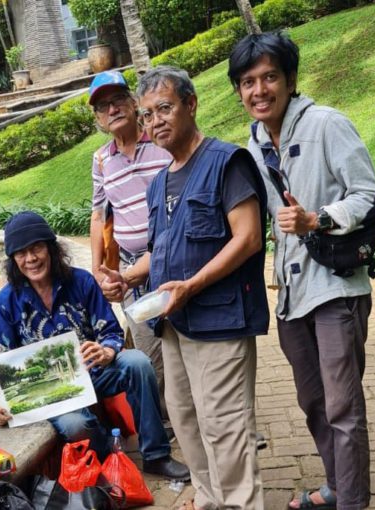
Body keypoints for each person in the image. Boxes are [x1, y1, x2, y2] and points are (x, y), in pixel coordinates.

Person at [99, 65, 269, 510]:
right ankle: (212, 502)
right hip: (173, 324)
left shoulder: (225, 162)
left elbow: (248, 237)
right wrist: (129, 277)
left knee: (225, 425)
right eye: (148, 113)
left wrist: (193, 284)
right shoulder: (160, 183)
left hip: (220, 319)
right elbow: (164, 249)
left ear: (191, 105)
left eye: (165, 109)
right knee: (188, 421)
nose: (155, 121)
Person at [229, 32, 375, 510]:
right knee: (314, 402)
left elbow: (368, 194)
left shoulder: (326, 124)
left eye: (270, 77)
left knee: (343, 406)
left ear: (290, 79)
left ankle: (353, 501)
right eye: (249, 81)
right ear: (238, 90)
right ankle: (336, 485)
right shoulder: (253, 148)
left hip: (336, 287)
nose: (259, 90)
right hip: (292, 294)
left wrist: (318, 218)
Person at [0, 211, 189, 481]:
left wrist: (107, 350)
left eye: (36, 248)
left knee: (138, 363)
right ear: (13, 260)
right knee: (76, 424)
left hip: (94, 371)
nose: (31, 259)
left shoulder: (80, 282)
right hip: (52, 393)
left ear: (51, 248)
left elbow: (110, 330)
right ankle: (111, 456)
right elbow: (0, 365)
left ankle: (156, 455)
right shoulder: (6, 302)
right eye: (21, 253)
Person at [87, 70, 172, 423]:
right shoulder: (102, 160)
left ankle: (219, 421)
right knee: (150, 349)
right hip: (131, 269)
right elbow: (97, 215)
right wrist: (96, 269)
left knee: (190, 343)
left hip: (172, 259)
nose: (112, 110)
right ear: (97, 117)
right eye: (103, 106)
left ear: (133, 102)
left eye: (118, 100)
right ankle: (169, 422)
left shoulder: (161, 142)